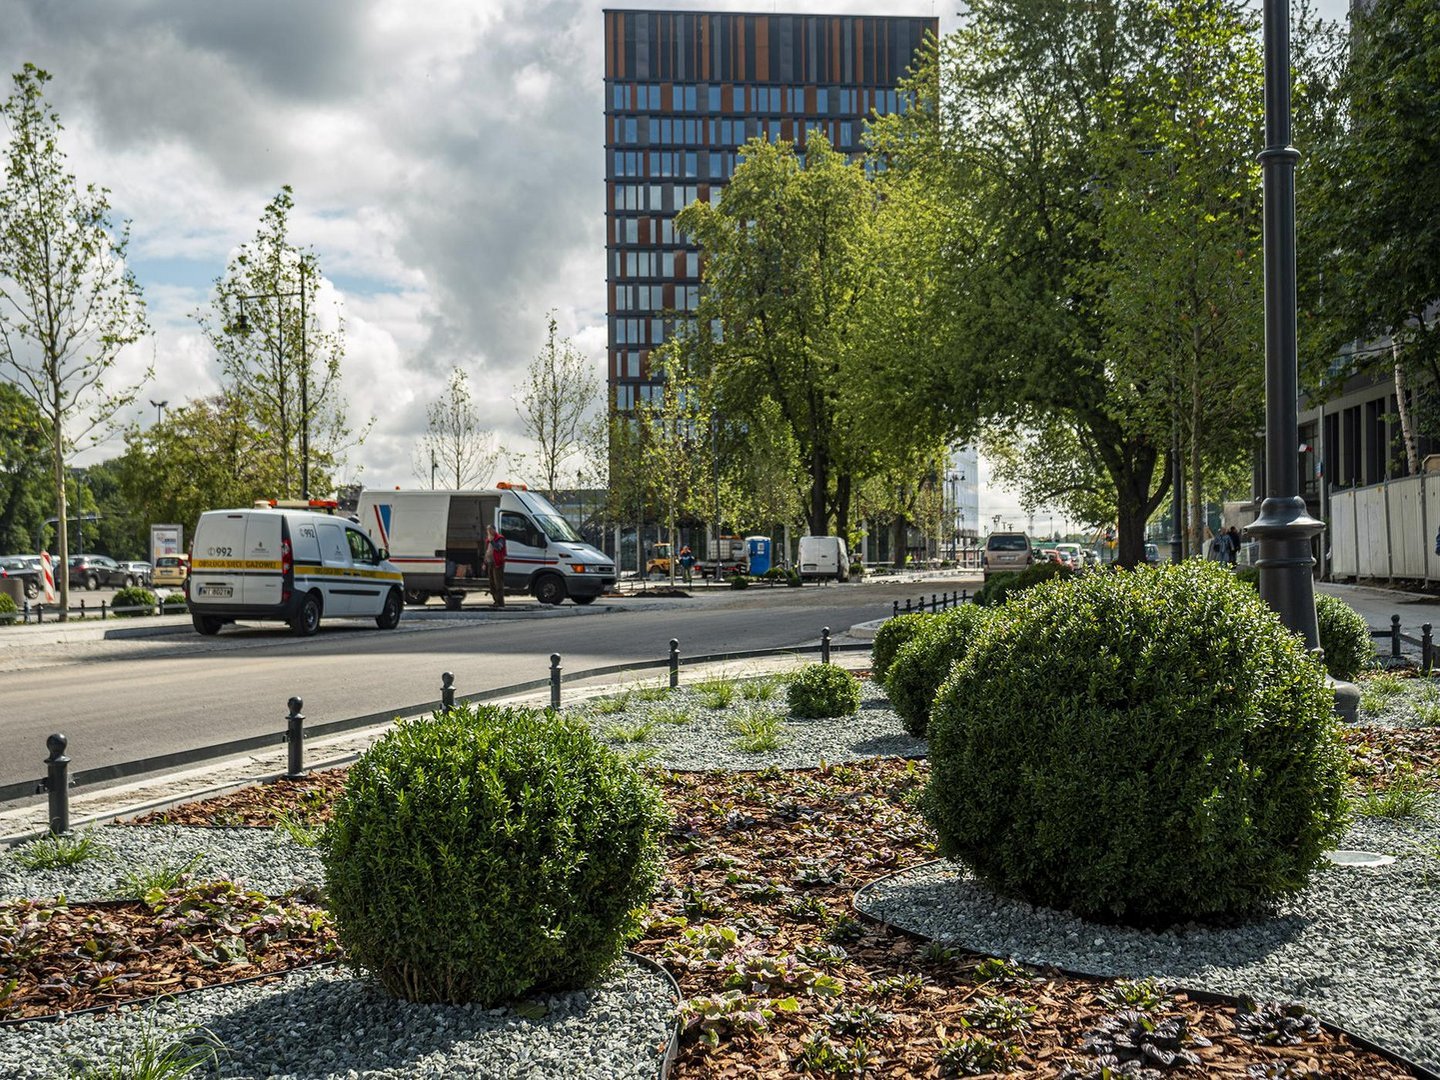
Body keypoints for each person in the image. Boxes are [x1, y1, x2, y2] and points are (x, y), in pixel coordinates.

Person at [484, 524, 507, 608]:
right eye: (488, 530)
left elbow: (499, 548)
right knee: (492, 583)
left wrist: (492, 541)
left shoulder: (500, 538)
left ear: (494, 530)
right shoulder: (488, 540)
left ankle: (500, 602)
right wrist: (484, 563)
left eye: (490, 530)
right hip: (490, 562)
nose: (489, 532)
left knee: (498, 583)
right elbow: (487, 551)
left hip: (497, 563)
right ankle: (495, 600)